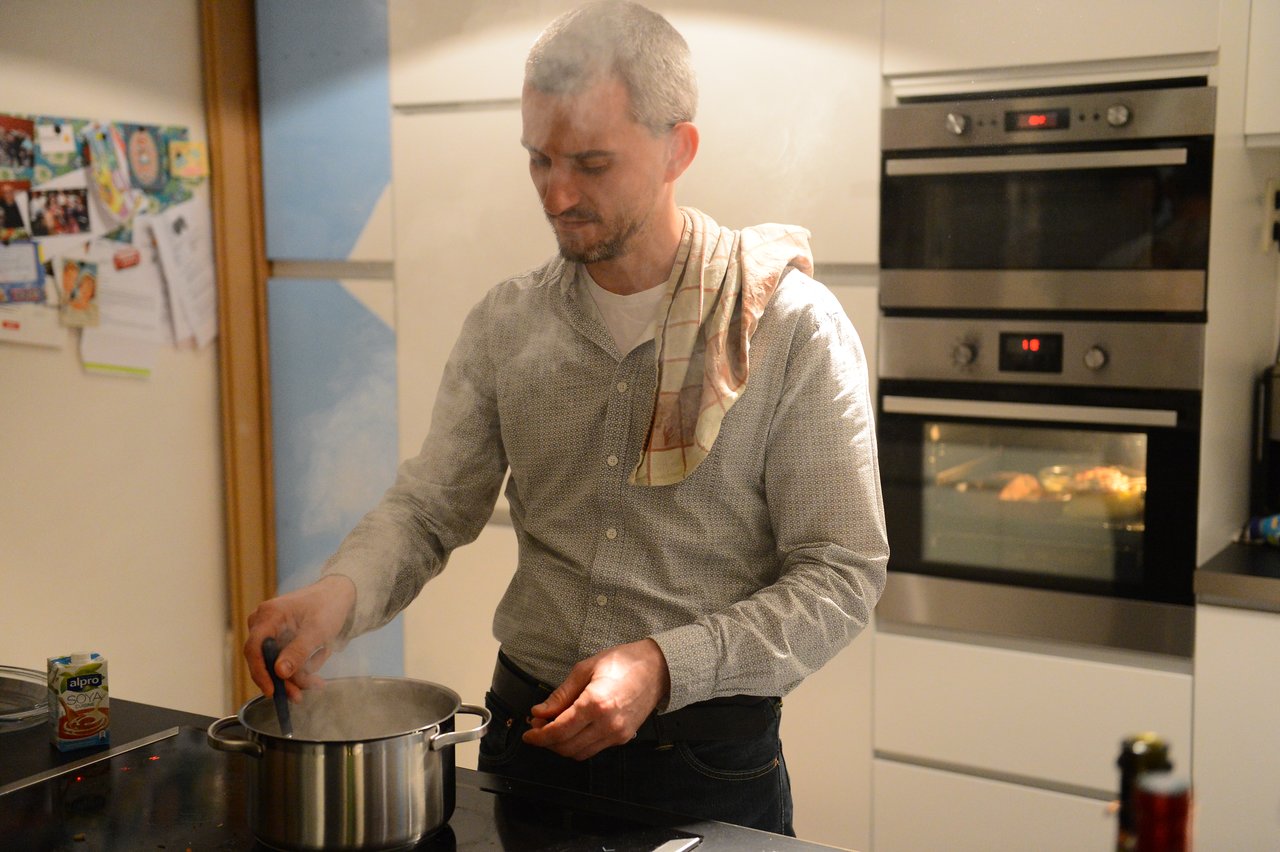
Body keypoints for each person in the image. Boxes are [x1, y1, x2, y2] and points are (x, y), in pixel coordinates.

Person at [243, 0, 887, 836]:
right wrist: (339, 595)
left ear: (677, 149)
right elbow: (429, 510)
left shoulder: (790, 328)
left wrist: (663, 665)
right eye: (539, 159)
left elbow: (842, 573)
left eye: (590, 161)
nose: (557, 193)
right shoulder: (507, 322)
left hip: (704, 764)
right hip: (526, 742)